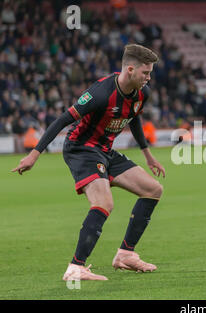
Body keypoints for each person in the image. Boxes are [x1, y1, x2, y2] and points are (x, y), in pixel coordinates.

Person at [12, 44, 166, 281]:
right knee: (104, 203)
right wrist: (35, 153)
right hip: (81, 149)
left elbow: (133, 117)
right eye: (146, 73)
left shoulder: (142, 93)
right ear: (131, 69)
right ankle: (75, 268)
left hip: (105, 150)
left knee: (153, 190)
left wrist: (148, 155)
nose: (149, 77)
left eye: (150, 73)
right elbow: (63, 119)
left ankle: (125, 254)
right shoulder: (100, 93)